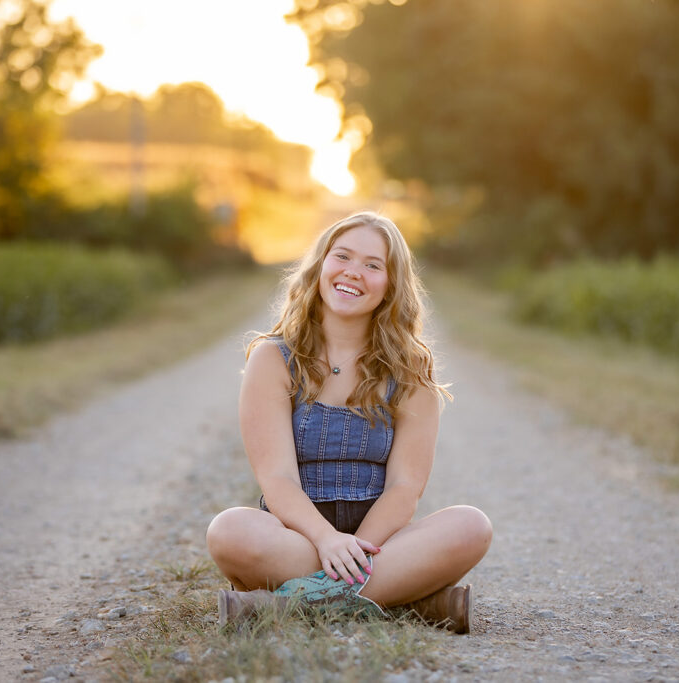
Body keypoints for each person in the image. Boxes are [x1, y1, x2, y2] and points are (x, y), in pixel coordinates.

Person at [205, 212, 492, 633]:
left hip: (379, 543)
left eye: (373, 265)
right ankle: (411, 601)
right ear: (321, 265)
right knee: (229, 530)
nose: (353, 272)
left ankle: (280, 606)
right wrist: (326, 541)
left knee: (471, 526)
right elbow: (277, 478)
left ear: (391, 286)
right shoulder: (274, 358)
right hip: (298, 540)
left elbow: (404, 487)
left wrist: (357, 551)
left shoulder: (410, 371)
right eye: (343, 256)